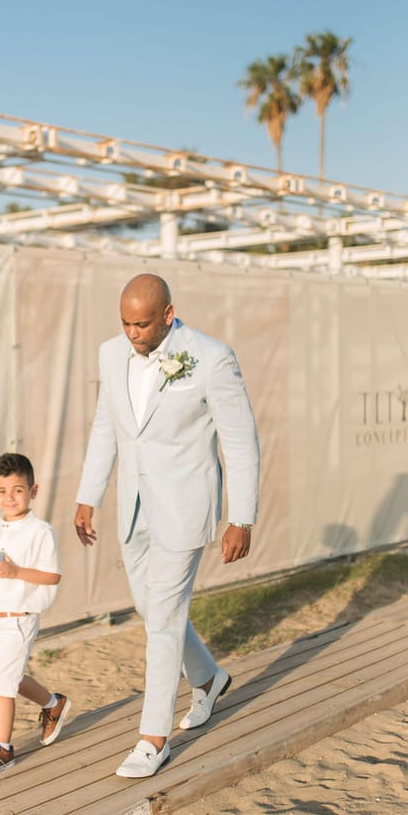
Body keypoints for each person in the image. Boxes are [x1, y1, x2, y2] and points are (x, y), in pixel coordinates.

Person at [74, 273, 259, 778]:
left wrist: (240, 517)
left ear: (168, 315)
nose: (132, 333)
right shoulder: (110, 355)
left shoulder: (211, 357)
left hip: (184, 506)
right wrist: (88, 495)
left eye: (142, 323)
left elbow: (240, 443)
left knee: (162, 621)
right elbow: (106, 427)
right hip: (134, 507)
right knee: (149, 604)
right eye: (126, 323)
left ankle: (153, 739)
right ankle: (208, 680)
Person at [0, 452, 71, 776]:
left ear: (33, 491)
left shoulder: (40, 531)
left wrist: (16, 571)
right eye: (2, 491)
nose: (9, 498)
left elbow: (52, 576)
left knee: (1, 683)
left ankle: (3, 747)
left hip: (20, 615)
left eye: (17, 490)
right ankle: (53, 703)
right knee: (7, 674)